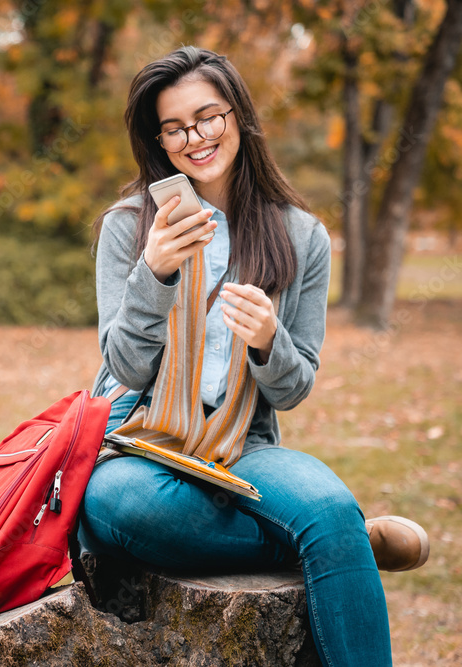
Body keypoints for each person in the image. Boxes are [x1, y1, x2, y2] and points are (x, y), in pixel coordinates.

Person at [80, 46, 428, 667]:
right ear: (159, 140)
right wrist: (154, 274)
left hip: (245, 443)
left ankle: (333, 534)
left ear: (238, 115)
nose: (196, 137)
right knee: (116, 506)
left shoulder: (301, 235)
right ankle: (340, 546)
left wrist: (270, 340)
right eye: (175, 127)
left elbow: (294, 388)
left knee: (325, 504)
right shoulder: (130, 225)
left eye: (208, 116)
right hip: (141, 439)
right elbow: (124, 369)